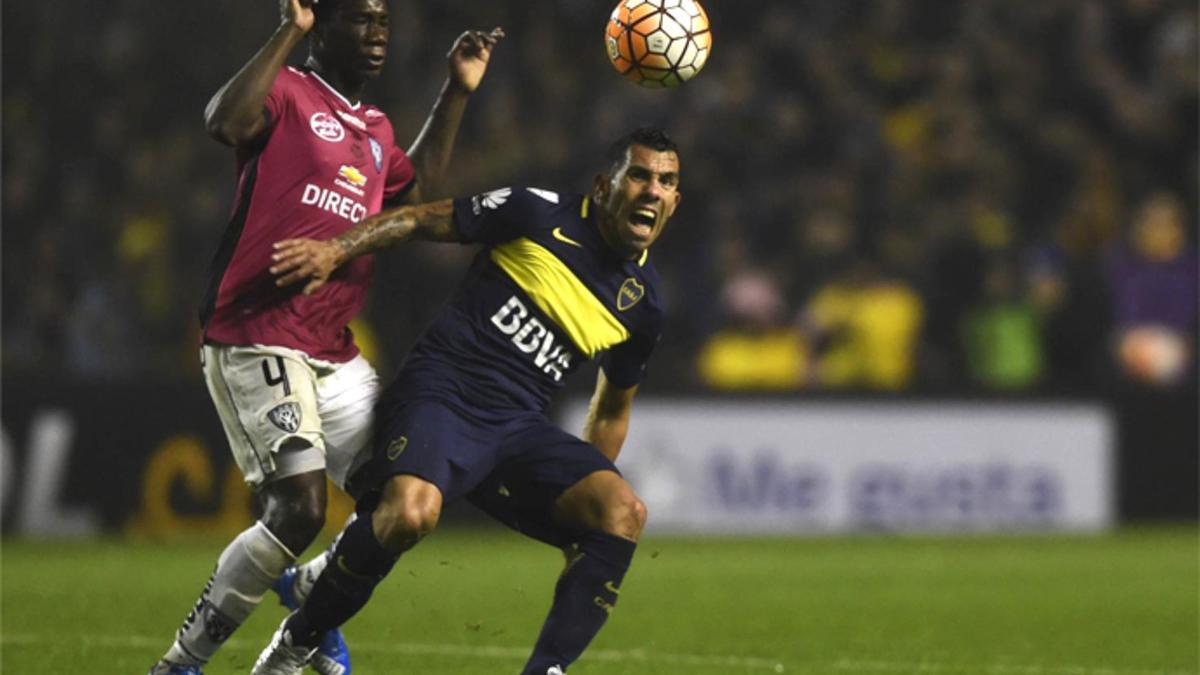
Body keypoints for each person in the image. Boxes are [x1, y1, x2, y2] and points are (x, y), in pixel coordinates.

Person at [148, 0, 503, 673]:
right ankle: (180, 663)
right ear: (325, 22)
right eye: (361, 19)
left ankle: (311, 601)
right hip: (255, 332)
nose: (377, 35)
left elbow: (417, 189)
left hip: (332, 348)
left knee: (405, 498)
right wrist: (291, 29)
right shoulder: (286, 90)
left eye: (385, 23)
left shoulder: (373, 127)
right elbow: (223, 121)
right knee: (300, 509)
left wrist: (457, 90)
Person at [249, 126, 683, 675]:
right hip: (443, 392)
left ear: (675, 201)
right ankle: (296, 643)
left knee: (622, 513)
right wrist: (335, 249)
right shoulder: (536, 212)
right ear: (604, 186)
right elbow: (416, 219)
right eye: (639, 175)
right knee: (409, 514)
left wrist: (579, 497)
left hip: (519, 428)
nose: (651, 190)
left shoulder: (644, 305)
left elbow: (614, 409)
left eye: (666, 181)